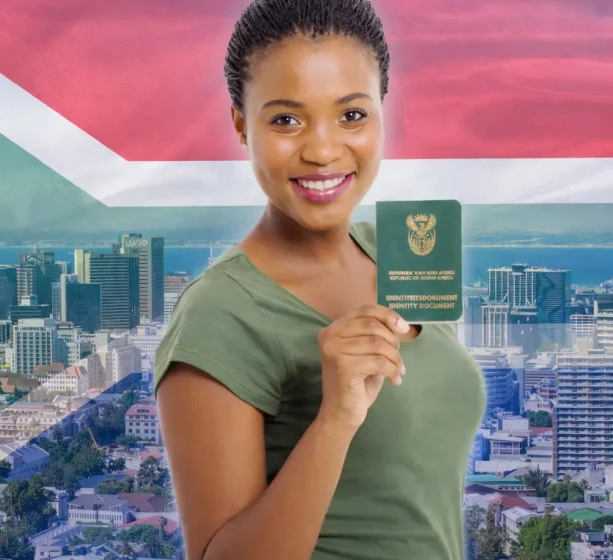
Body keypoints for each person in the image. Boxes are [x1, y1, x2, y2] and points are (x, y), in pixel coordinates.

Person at [153, 0, 487, 558]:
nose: (324, 150)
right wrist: (335, 420)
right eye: (286, 119)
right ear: (240, 124)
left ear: (383, 110)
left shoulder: (399, 250)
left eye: (352, 115)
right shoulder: (219, 315)